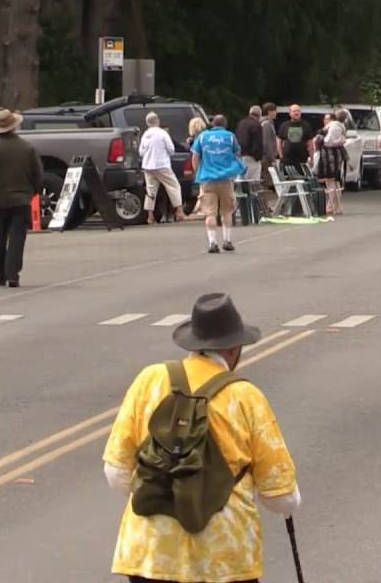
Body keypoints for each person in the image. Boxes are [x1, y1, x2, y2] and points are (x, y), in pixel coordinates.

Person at [102, 293, 301, 583]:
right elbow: (280, 496)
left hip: (150, 555)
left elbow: (115, 473)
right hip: (223, 559)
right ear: (233, 348)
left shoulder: (150, 379)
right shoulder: (245, 396)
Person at [0, 108, 42, 288]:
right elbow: (37, 173)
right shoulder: (27, 148)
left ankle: (0, 273)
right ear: (14, 126)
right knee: (17, 237)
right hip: (21, 199)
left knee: (0, 237)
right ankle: (13, 273)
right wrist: (34, 191)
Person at [191, 114, 245, 253]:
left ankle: (212, 242)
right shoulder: (230, 137)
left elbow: (195, 156)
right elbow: (238, 154)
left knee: (210, 213)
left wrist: (198, 172)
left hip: (207, 179)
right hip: (226, 179)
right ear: (225, 124)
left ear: (212, 124)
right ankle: (227, 240)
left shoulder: (202, 137)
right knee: (227, 211)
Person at [139, 112, 186, 225]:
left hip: (148, 166)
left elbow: (141, 152)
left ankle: (150, 216)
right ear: (158, 121)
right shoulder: (163, 133)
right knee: (173, 186)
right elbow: (171, 149)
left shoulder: (145, 134)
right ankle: (179, 211)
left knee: (151, 190)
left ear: (147, 123)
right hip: (161, 164)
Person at [316, 108, 350, 215]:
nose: (326, 121)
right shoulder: (341, 127)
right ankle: (334, 206)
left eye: (328, 119)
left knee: (331, 181)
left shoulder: (333, 127)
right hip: (334, 156)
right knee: (334, 182)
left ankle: (333, 206)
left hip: (329, 156)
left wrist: (321, 140)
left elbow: (328, 141)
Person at [234, 105, 265, 185]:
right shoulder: (256, 125)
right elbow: (258, 143)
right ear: (259, 115)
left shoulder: (241, 123)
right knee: (253, 181)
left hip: (240, 155)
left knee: (240, 179)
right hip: (251, 157)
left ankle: (239, 193)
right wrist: (258, 157)